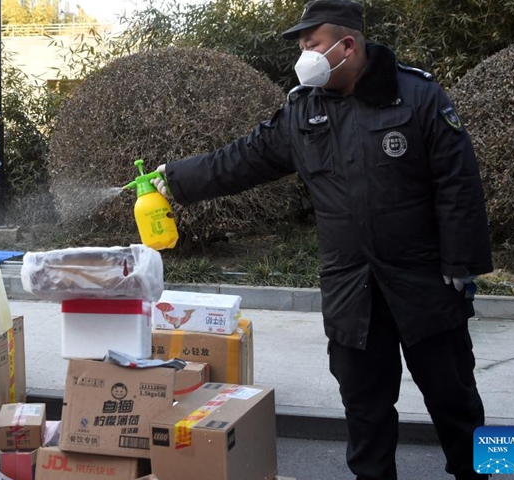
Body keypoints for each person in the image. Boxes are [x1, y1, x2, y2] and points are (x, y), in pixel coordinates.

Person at [150, 1, 493, 479]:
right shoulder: (302, 110)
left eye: (311, 45)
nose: (303, 56)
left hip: (427, 282)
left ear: (346, 45)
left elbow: (459, 181)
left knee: (460, 400)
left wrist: (462, 262)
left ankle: (493, 471)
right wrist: (178, 178)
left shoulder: (418, 96)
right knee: (364, 408)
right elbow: (244, 158)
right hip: (353, 289)